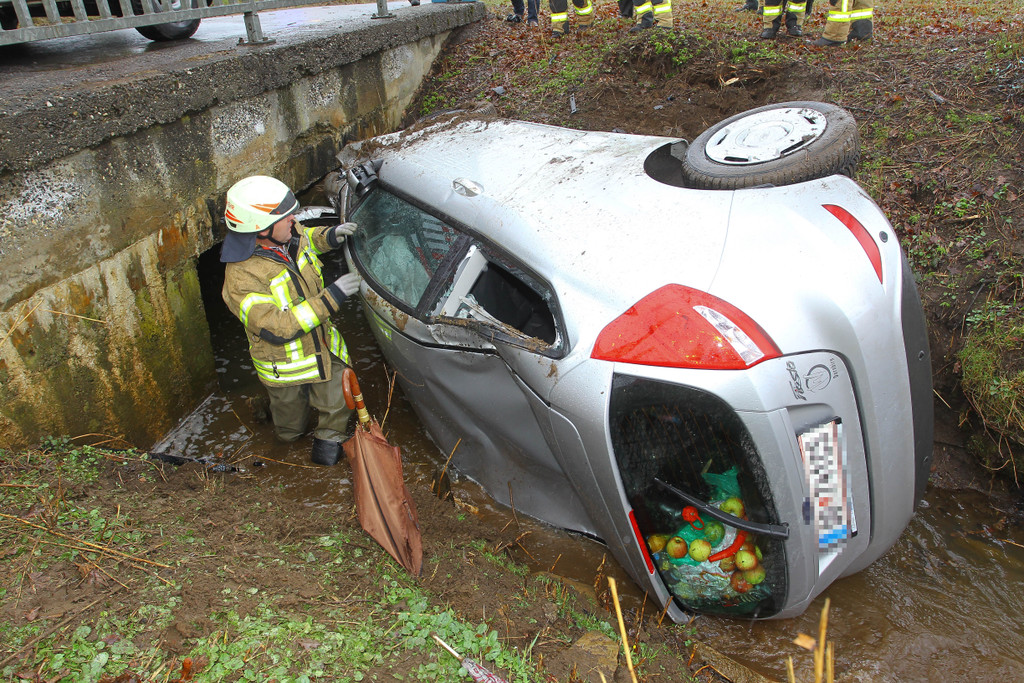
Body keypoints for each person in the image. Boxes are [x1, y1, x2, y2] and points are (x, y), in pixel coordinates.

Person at [220, 175, 362, 467]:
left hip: (322, 348)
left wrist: (330, 236)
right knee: (289, 431)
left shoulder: (287, 232)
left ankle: (327, 453)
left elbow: (305, 239)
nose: (294, 219)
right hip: (284, 367)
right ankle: (266, 411)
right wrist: (331, 297)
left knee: (338, 402)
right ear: (260, 230)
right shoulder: (240, 279)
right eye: (286, 217)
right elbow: (276, 327)